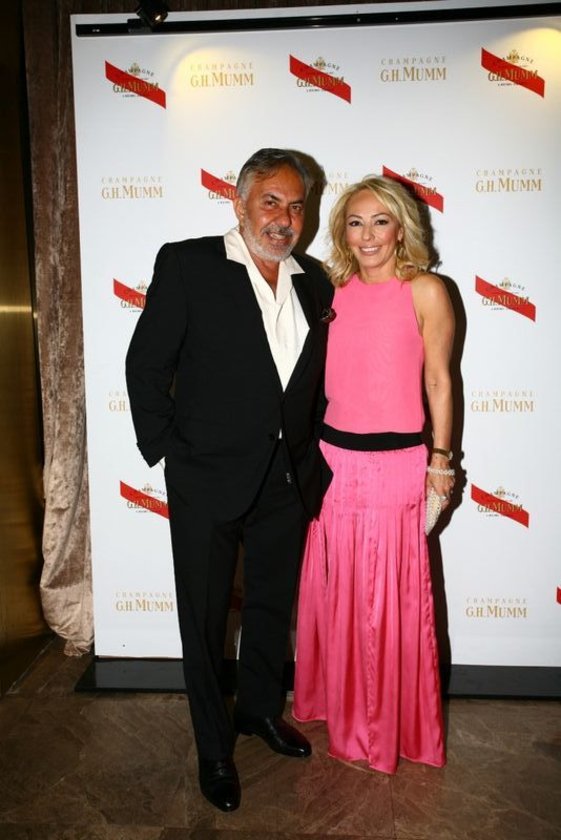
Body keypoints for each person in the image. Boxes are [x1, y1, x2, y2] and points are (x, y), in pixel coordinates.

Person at [125, 149, 333, 812]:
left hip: (286, 477)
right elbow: (145, 365)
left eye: (295, 205)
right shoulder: (188, 264)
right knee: (206, 618)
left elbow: (312, 382)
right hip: (207, 477)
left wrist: (311, 454)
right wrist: (170, 452)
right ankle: (214, 749)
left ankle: (260, 711)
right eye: (270, 201)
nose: (284, 218)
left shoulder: (315, 281)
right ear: (239, 202)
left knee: (271, 605)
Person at [293, 175, 455, 775]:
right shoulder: (328, 291)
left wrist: (442, 461)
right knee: (338, 597)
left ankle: (389, 728)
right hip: (332, 464)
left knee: (391, 604)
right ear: (342, 232)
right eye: (355, 222)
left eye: (380, 221)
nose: (367, 235)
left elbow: (439, 379)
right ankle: (340, 713)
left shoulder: (426, 290)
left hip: (398, 467)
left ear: (401, 229)